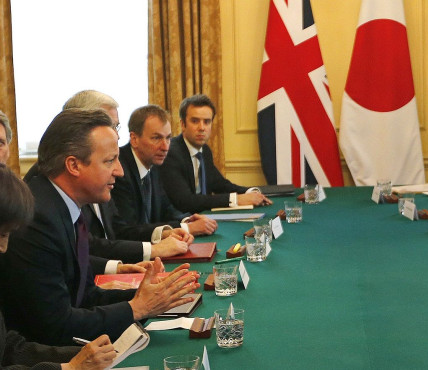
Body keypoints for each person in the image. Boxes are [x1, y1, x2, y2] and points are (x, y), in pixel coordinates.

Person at [0, 109, 199, 346]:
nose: (120, 170)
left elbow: (84, 295)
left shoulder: (64, 203)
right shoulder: (38, 217)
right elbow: (55, 325)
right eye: (109, 161)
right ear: (74, 165)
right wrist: (136, 308)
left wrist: (147, 297)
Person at [0, 164, 117, 369]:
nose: (4, 247)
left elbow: (9, 349)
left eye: (8, 235)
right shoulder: (45, 214)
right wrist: (68, 368)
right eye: (1, 234)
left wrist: (78, 355)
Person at [111, 105, 218, 241]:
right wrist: (186, 229)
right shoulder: (119, 170)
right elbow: (128, 231)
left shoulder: (153, 163)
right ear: (134, 139)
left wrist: (187, 220)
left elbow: (166, 208)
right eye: (156, 138)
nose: (165, 147)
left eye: (168, 138)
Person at [159, 94, 271, 213]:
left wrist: (251, 193)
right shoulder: (171, 153)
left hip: (204, 219)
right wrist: (236, 199)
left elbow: (220, 185)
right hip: (180, 223)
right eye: (195, 121)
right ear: (182, 124)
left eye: (207, 122)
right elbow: (186, 201)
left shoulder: (205, 151)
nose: (202, 128)